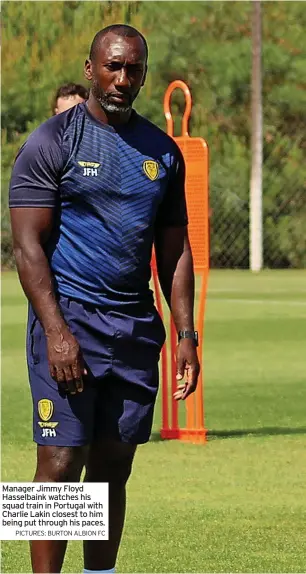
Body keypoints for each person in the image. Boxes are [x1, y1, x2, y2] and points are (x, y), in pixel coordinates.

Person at [9, 24, 200, 574]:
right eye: (112, 67)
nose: (121, 78)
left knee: (114, 465)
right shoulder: (52, 141)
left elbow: (175, 251)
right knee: (61, 459)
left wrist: (185, 334)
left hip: (134, 327)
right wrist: (58, 334)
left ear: (143, 73)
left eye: (132, 69)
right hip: (66, 321)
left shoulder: (162, 153)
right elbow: (27, 249)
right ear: (91, 70)